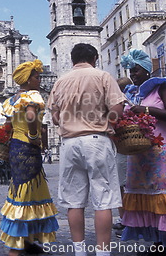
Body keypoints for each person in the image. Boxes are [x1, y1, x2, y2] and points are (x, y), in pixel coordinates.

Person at [47, 43, 125, 256]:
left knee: (74, 201)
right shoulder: (102, 77)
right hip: (97, 140)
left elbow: (54, 117)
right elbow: (118, 107)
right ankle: (102, 252)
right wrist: (109, 124)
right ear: (94, 59)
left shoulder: (60, 82)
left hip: (69, 144)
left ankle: (79, 251)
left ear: (72, 60)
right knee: (103, 200)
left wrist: (67, 119)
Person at [120, 49, 166, 255]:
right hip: (139, 152)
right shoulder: (134, 93)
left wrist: (147, 110)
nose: (133, 75)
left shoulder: (162, 88)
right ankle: (159, 241)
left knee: (165, 194)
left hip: (161, 151)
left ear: (146, 69)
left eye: (136, 71)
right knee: (148, 195)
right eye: (131, 71)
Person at [0, 59, 59, 256]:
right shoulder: (32, 95)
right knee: (27, 191)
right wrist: (34, 137)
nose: (39, 79)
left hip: (16, 148)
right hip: (27, 147)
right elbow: (32, 116)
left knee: (22, 189)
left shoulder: (13, 99)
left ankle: (27, 240)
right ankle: (16, 245)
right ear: (27, 79)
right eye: (36, 76)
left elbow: (8, 125)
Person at [113, 77, 134, 237]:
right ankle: (133, 219)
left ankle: (126, 220)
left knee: (121, 186)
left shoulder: (121, 102)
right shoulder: (135, 100)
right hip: (134, 148)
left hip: (122, 148)